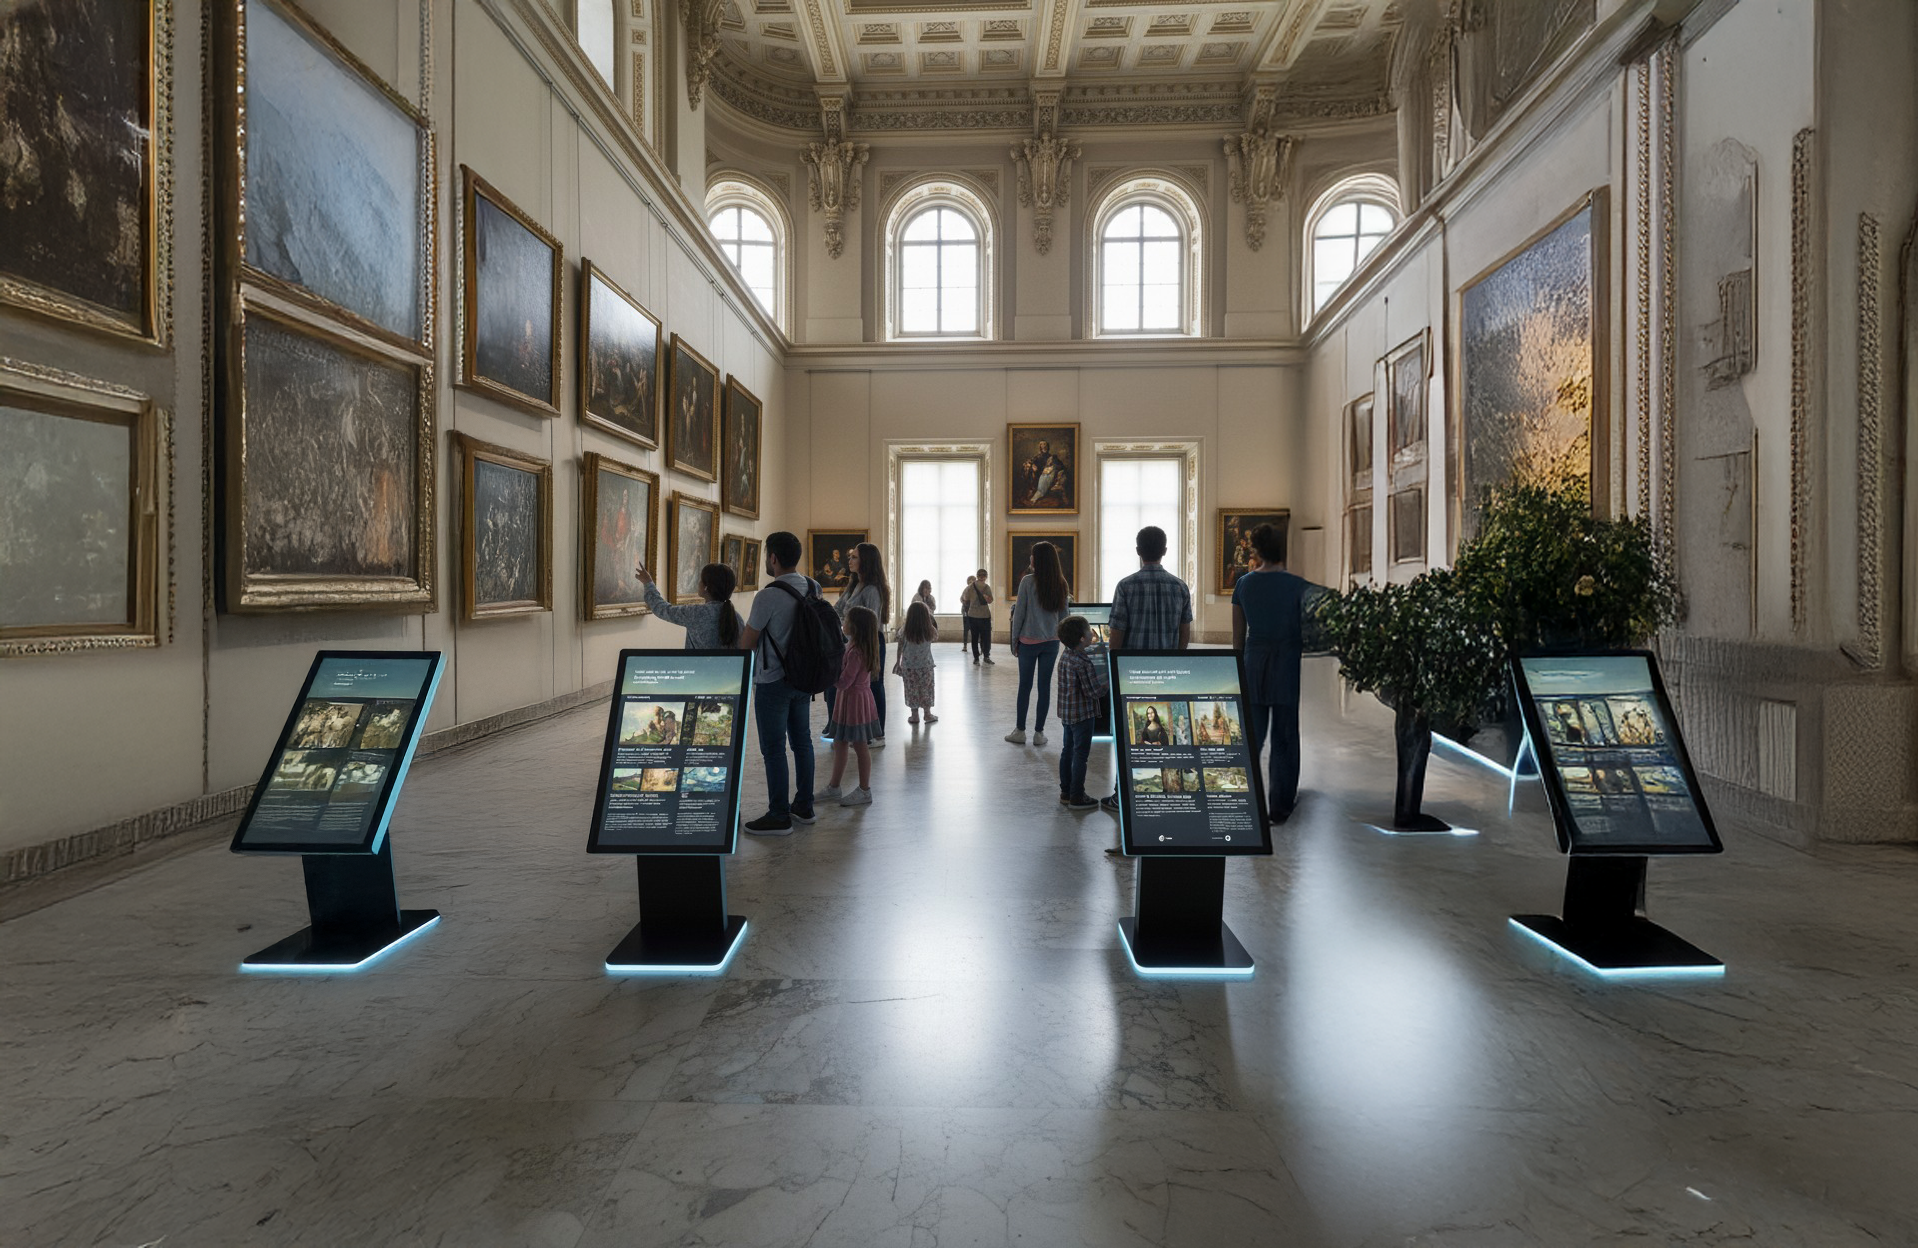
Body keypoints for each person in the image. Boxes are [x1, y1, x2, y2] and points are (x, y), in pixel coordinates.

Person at [1231, 522, 1325, 824]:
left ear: (1255, 550)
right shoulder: (1299, 586)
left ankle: (1240, 798)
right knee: (1285, 736)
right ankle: (1280, 806)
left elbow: (1237, 639)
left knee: (1252, 735)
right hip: (1286, 662)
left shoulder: (1244, 584)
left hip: (1254, 662)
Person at [736, 531, 819, 834]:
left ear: (772, 558)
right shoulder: (813, 586)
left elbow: (747, 643)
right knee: (803, 743)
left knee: (773, 749)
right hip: (804, 679)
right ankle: (805, 805)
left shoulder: (767, 595)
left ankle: (779, 814)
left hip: (772, 682)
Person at [1005, 540, 1070, 747]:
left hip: (1028, 642)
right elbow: (1064, 617)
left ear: (1037, 559)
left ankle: (1020, 730)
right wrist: (1065, 642)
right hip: (1051, 642)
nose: (1030, 558)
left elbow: (1019, 614)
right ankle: (1039, 733)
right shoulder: (1061, 583)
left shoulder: (1027, 582)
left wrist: (1014, 641)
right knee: (1044, 688)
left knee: (1025, 686)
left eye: (1032, 555)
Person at [828, 542, 891, 747]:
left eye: (855, 557)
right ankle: (855, 731)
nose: (850, 560)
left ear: (866, 561)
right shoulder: (854, 584)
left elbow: (872, 621)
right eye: (851, 556)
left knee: (872, 686)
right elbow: (838, 610)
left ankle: (876, 733)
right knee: (855, 688)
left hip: (869, 642)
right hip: (852, 641)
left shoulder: (872, 590)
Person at [823, 606, 882, 807]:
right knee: (840, 742)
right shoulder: (852, 645)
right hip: (848, 700)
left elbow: (845, 681)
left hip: (854, 701)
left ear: (855, 626)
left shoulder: (857, 652)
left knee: (859, 745)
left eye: (846, 620)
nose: (843, 623)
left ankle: (865, 790)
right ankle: (834, 787)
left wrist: (826, 674)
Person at [1055, 614, 1110, 811]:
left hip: (1068, 713)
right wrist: (1108, 682)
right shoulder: (1083, 662)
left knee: (1067, 751)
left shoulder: (1067, 656)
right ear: (1082, 638)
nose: (1092, 633)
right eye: (1089, 631)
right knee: (1081, 755)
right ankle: (1077, 795)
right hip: (1083, 715)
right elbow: (1093, 691)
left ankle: (1066, 792)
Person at [1109, 526, 1192, 651]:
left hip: (1132, 666)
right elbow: (1185, 631)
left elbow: (1117, 631)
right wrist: (1177, 659)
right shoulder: (1180, 587)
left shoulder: (1125, 586)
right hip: (1168, 665)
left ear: (1138, 551)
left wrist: (1114, 661)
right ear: (1164, 551)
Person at [636, 561, 741, 649]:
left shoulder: (696, 614)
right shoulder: (736, 617)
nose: (698, 582)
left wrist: (648, 583)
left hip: (699, 672)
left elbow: (662, 609)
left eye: (700, 580)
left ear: (706, 587)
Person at [895, 600, 939, 725]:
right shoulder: (930, 630)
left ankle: (914, 715)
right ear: (926, 616)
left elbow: (900, 646)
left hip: (908, 667)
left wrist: (898, 662)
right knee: (926, 689)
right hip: (926, 666)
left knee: (911, 690)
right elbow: (936, 637)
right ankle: (927, 714)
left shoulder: (904, 630)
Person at [961, 570, 995, 664]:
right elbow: (990, 600)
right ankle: (986, 656)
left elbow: (965, 598)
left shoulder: (970, 587)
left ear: (977, 576)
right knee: (986, 637)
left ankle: (976, 659)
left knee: (974, 637)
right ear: (986, 576)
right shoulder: (986, 587)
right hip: (984, 615)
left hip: (973, 615)